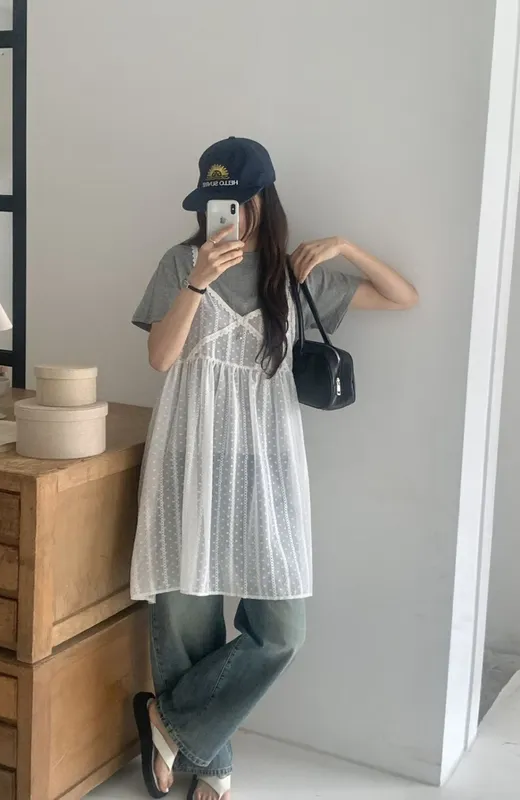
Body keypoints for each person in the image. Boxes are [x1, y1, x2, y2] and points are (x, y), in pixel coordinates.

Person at [131, 137, 418, 800]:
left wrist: (345, 246)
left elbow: (403, 296)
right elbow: (161, 358)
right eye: (212, 204)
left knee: (283, 630)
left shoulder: (293, 275)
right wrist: (198, 282)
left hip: (268, 467)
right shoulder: (180, 263)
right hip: (188, 456)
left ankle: (168, 722)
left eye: (234, 202)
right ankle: (213, 763)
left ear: (261, 200)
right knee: (187, 619)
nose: (222, 215)